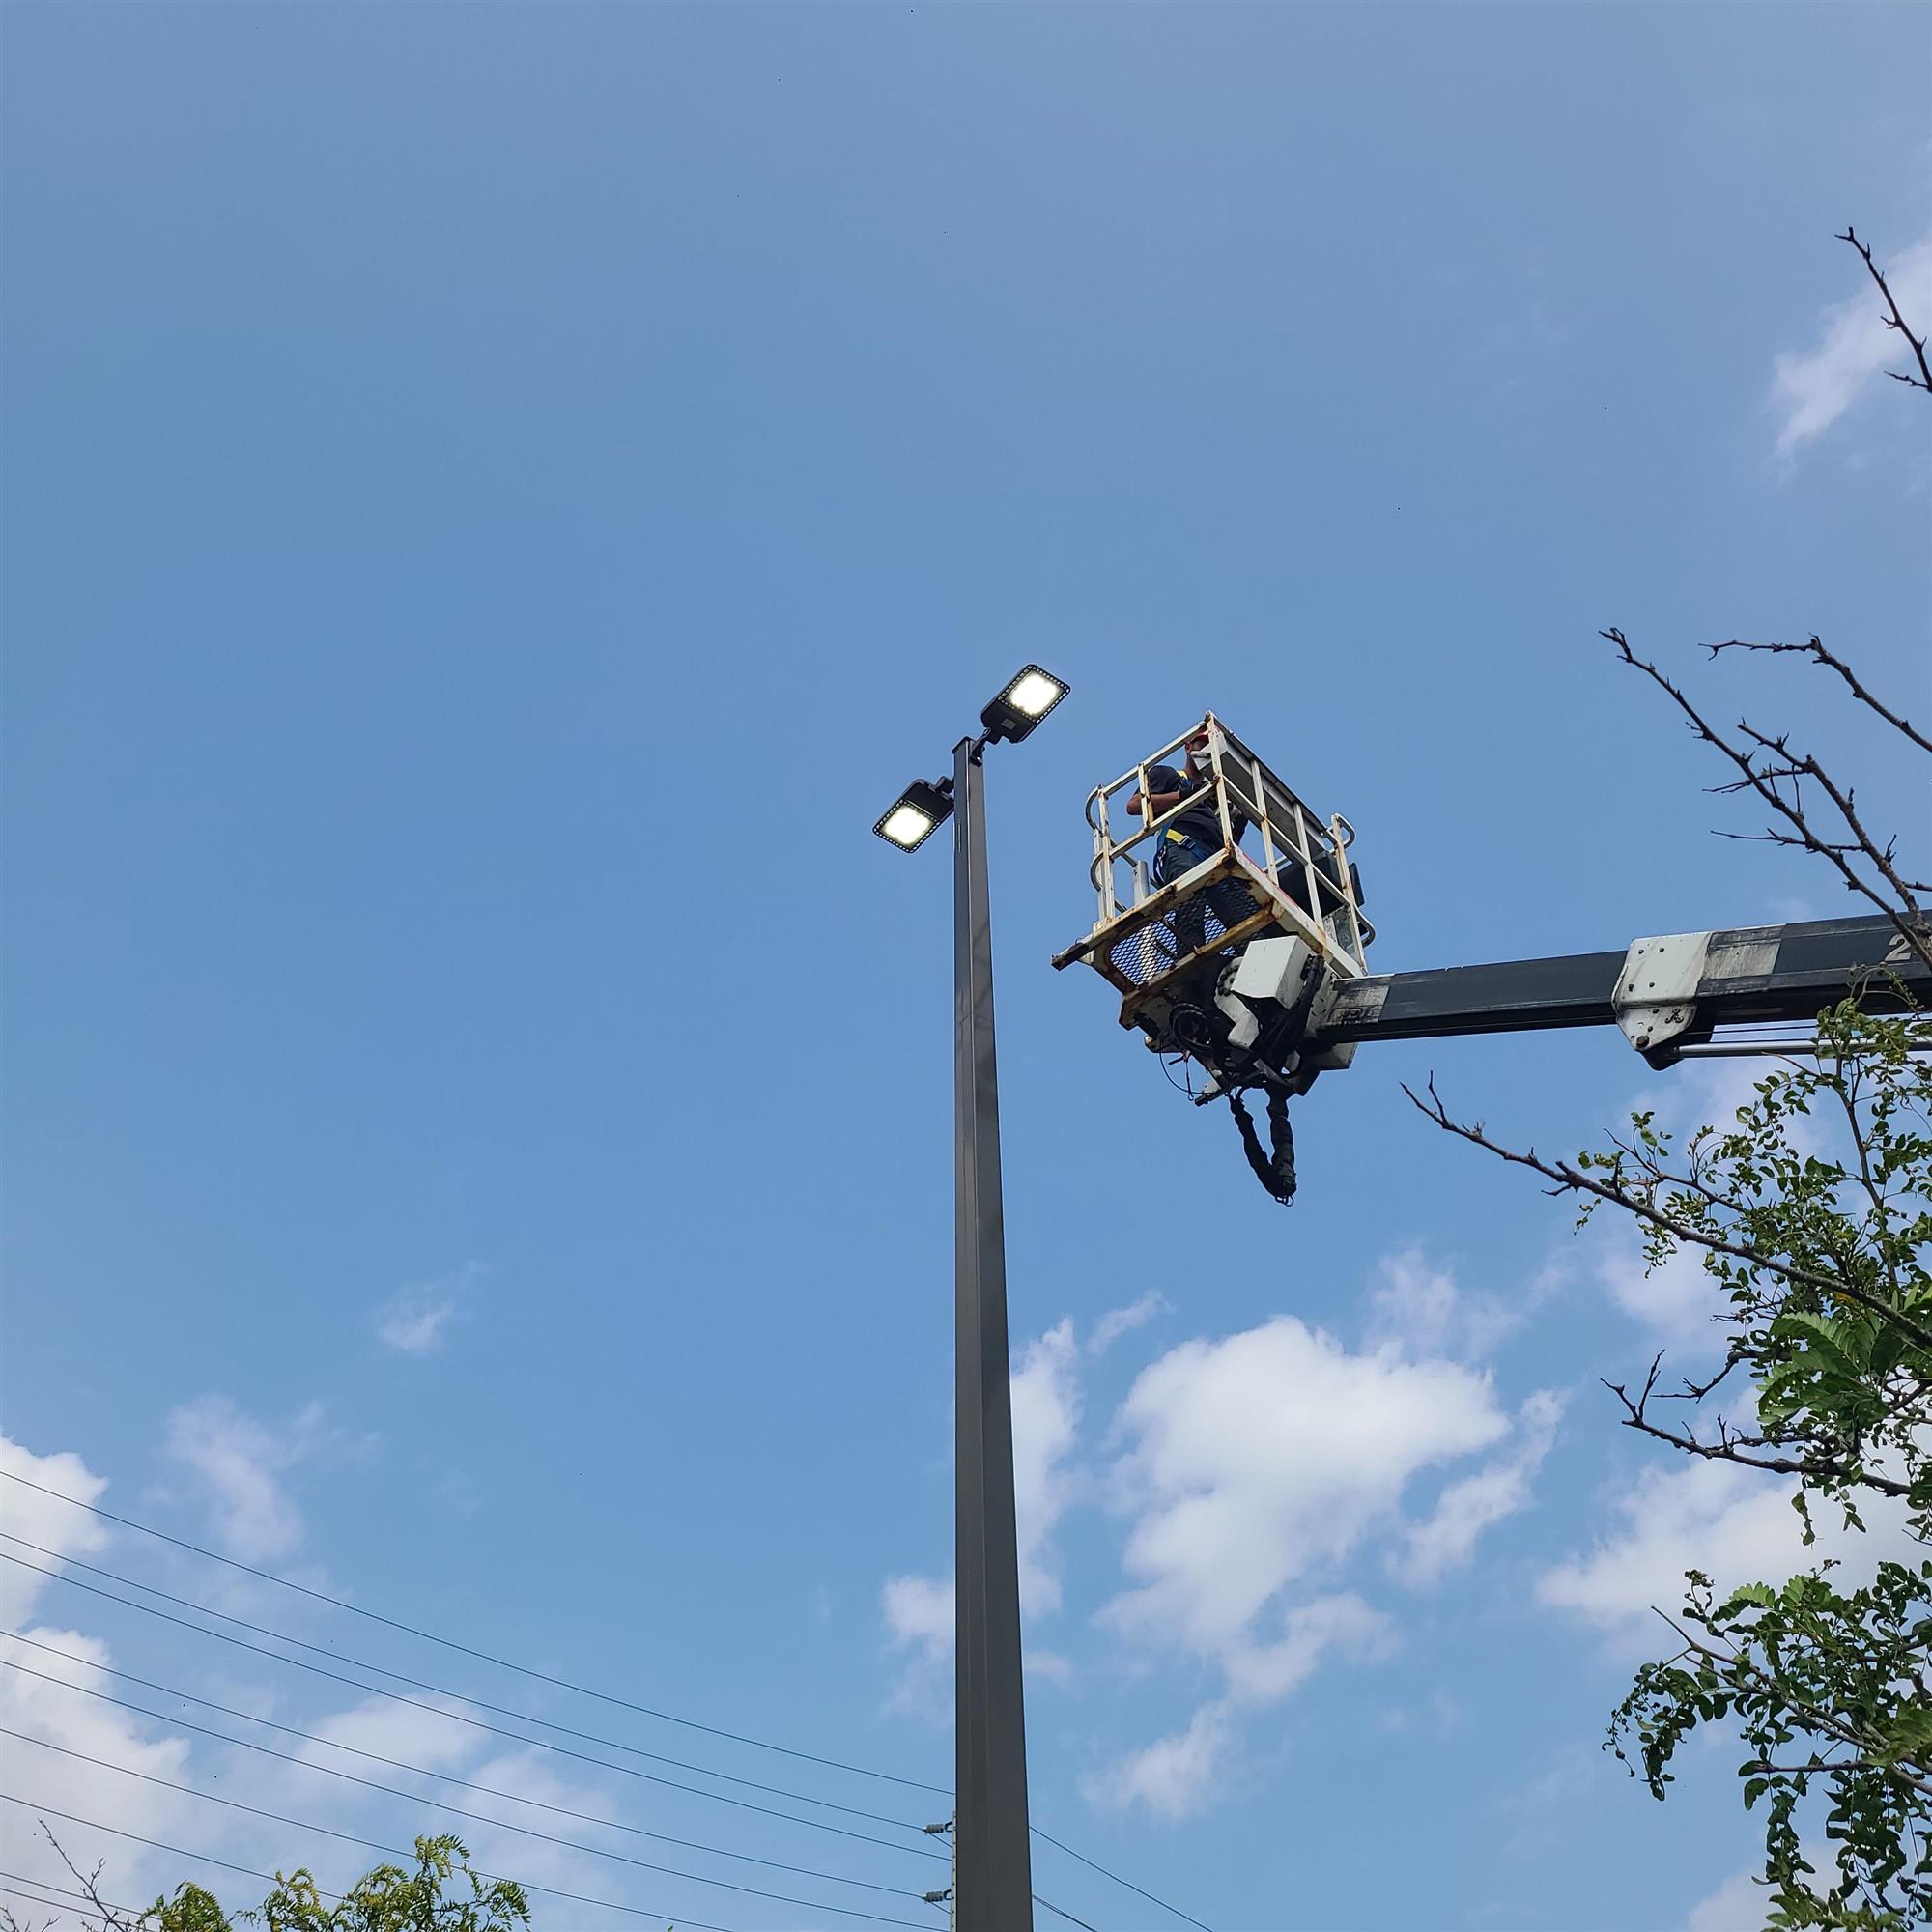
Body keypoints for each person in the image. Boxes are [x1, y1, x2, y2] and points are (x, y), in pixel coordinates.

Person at [1126, 725, 1256, 957]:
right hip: (1182, 848)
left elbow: (1228, 841)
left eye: (1211, 745)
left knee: (1244, 912)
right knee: (1191, 901)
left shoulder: (1213, 795)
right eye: (1201, 743)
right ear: (1188, 748)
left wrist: (1238, 824)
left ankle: (1253, 957)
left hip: (1214, 856)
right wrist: (1183, 795)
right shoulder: (1169, 776)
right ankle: (1192, 960)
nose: (1206, 749)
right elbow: (1134, 806)